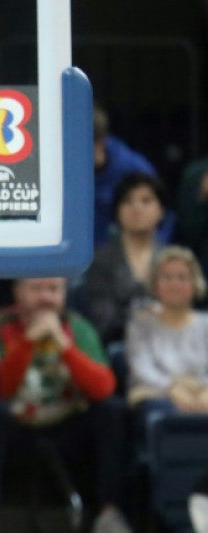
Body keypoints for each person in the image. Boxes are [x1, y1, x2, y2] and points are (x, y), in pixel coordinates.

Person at [0, 278, 130, 533]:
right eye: (36, 289)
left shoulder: (79, 328)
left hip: (67, 427)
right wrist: (28, 342)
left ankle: (109, 515)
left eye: (54, 289)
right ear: (17, 292)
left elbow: (104, 388)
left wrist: (65, 346)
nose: (46, 297)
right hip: (14, 429)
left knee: (111, 411)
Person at [84, 173, 166, 346]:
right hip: (118, 345)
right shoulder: (100, 260)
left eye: (146, 201)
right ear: (117, 211)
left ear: (162, 210)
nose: (137, 208)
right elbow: (101, 319)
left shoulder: (173, 258)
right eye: (127, 201)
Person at [126, 246, 208, 419]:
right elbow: (142, 368)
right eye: (167, 277)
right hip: (155, 394)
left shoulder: (205, 325)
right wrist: (171, 388)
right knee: (164, 412)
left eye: (182, 277)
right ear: (155, 285)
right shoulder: (141, 325)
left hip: (203, 392)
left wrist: (205, 392)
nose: (174, 284)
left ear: (195, 283)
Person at [92, 104, 162, 247]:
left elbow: (163, 219)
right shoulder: (59, 166)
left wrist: (152, 252)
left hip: (126, 253)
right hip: (84, 253)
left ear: (101, 142)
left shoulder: (135, 168)